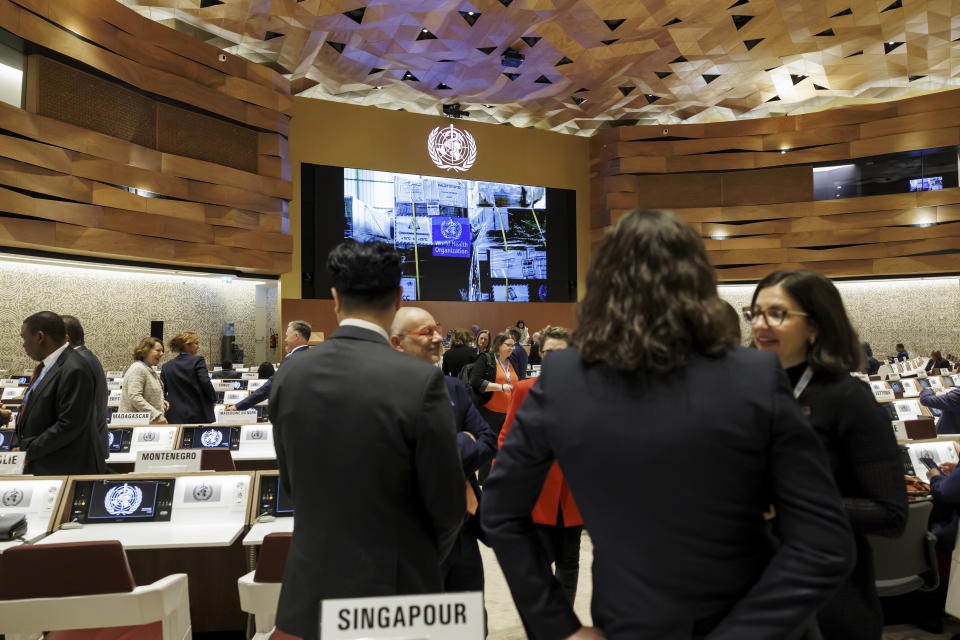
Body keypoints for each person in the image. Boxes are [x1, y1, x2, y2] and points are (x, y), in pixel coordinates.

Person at [482, 210, 855, 640]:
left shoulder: (562, 379)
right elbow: (824, 541)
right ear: (699, 284)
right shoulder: (755, 375)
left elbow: (502, 512)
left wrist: (556, 626)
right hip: (753, 619)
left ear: (602, 285)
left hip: (632, 621)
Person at [269, 241, 464, 640]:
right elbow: (448, 506)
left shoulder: (290, 376)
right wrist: (416, 559)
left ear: (335, 298)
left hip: (310, 589)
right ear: (398, 298)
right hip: (397, 594)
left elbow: (290, 484)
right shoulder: (421, 380)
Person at [748, 268, 907, 639]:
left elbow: (891, 514)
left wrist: (785, 502)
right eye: (754, 313)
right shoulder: (748, 391)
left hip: (828, 599)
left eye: (777, 313)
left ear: (816, 325)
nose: (760, 324)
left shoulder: (847, 398)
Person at [391, 307, 496, 597]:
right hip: (413, 535)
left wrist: (439, 456)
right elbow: (401, 461)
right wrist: (463, 442)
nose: (438, 337)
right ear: (397, 343)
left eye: (437, 328)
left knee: (472, 625)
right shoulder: (382, 392)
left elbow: (487, 440)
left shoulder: (453, 388)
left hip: (463, 529)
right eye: (427, 332)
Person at [497, 325, 583, 608]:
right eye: (549, 352)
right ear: (541, 355)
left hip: (574, 496)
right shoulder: (524, 390)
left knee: (570, 564)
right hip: (537, 495)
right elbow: (505, 439)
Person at [16, 311, 101, 475]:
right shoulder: (50, 366)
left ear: (40, 337)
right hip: (46, 462)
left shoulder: (74, 368)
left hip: (63, 466)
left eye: (24, 337)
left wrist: (27, 449)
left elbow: (68, 424)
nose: (24, 344)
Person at [225, 322, 310, 412]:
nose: (285, 340)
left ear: (296, 336)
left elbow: (269, 387)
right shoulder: (314, 357)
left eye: (287, 336)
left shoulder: (291, 360)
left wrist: (239, 406)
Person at [471, 331, 518, 484]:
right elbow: (476, 382)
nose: (511, 348)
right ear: (499, 345)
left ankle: (501, 480)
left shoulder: (512, 362)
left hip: (509, 413)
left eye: (513, 346)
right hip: (489, 412)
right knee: (488, 449)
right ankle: (484, 483)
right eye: (508, 345)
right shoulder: (486, 359)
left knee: (505, 450)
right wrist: (501, 387)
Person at [62, 314, 108, 469]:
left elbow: (74, 415)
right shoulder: (87, 358)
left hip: (83, 452)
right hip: (91, 447)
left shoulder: (77, 364)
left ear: (66, 338)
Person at [160, 332, 216, 424]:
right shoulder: (198, 360)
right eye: (196, 343)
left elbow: (161, 390)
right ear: (187, 345)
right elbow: (205, 382)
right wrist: (213, 399)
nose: (199, 346)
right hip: (197, 413)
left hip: (174, 414)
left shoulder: (166, 366)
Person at [119, 337, 168, 424]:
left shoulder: (146, 368)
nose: (162, 354)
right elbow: (134, 396)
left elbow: (144, 393)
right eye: (158, 350)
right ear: (146, 351)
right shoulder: (138, 368)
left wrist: (160, 401)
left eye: (162, 351)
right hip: (135, 426)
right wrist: (156, 415)